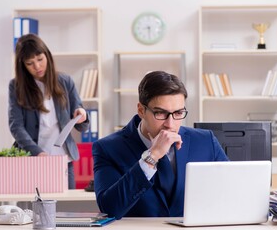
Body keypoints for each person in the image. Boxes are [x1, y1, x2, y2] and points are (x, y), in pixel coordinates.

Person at [93, 71, 229, 219]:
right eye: (160, 113)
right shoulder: (108, 148)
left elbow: (233, 188)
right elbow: (110, 208)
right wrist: (152, 156)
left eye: (178, 113)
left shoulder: (205, 141)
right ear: (141, 110)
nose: (170, 124)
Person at [8, 34, 90, 189]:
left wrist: (82, 116)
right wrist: (37, 152)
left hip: (63, 160)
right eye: (30, 63)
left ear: (47, 55)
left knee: (66, 210)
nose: (37, 67)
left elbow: (82, 124)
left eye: (40, 59)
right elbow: (16, 126)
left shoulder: (65, 81)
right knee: (30, 211)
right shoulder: (16, 87)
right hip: (32, 160)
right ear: (23, 66)